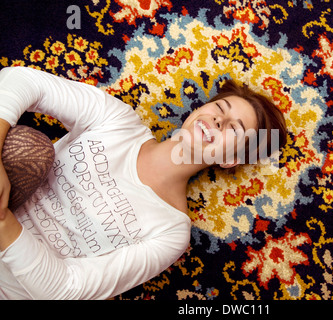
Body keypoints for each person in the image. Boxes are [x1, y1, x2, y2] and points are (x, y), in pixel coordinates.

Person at [0, 66, 287, 299]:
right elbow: (21, 79)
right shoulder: (117, 120)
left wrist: (2, 219)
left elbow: (66, 289)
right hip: (13, 183)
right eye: (219, 108)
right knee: (30, 147)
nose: (219, 121)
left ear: (229, 160)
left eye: (234, 130)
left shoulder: (170, 234)